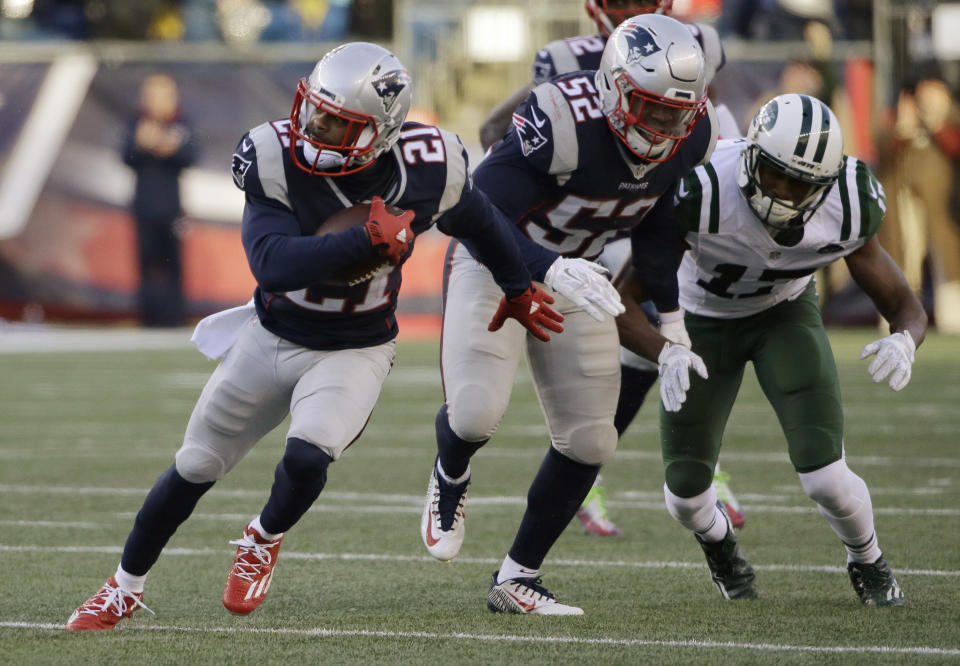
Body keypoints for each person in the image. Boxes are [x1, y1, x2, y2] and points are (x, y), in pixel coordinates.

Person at [64, 42, 618, 631]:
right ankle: (123, 587)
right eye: (315, 111)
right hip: (271, 334)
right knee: (195, 465)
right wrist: (364, 242)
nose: (316, 127)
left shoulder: (427, 166)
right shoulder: (273, 153)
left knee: (308, 454)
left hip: (355, 347)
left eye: (339, 122)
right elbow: (272, 263)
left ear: (381, 132)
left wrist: (518, 283)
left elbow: (479, 219)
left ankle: (262, 536)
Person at [420, 14, 713, 614]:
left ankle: (517, 577)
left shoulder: (693, 131)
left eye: (675, 112)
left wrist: (673, 327)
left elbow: (659, 229)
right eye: (651, 108)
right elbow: (466, 213)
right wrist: (545, 268)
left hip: (576, 275)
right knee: (475, 414)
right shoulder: (560, 120)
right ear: (613, 87)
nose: (663, 125)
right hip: (496, 263)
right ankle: (451, 473)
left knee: (590, 439)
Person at [617, 93, 926, 605]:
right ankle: (720, 545)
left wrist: (904, 340)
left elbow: (903, 303)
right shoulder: (704, 189)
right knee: (685, 498)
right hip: (702, 324)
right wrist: (663, 350)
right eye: (774, 173)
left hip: (784, 315)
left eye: (800, 182)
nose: (782, 191)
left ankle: (868, 559)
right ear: (750, 154)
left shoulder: (849, 202)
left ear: (826, 184)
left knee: (826, 476)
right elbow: (624, 301)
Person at [477, 0, 745, 537]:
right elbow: (493, 135)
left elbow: (699, 123)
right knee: (638, 341)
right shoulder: (565, 59)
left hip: (654, 206)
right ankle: (595, 469)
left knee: (667, 351)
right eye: (621, 2)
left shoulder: (700, 50)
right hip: (591, 227)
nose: (633, 8)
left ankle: (691, 465)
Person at [875, 73, 960, 334]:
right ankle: (898, 319)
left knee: (948, 263)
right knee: (903, 263)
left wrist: (937, 122)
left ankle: (953, 320)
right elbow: (883, 152)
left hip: (943, 210)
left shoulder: (952, 118)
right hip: (904, 207)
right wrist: (904, 126)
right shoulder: (898, 119)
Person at [122, 73, 197, 327]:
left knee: (173, 265)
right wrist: (141, 145)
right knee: (146, 264)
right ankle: (148, 318)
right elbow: (125, 156)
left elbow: (190, 156)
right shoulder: (136, 122)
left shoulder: (180, 123)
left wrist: (170, 148)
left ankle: (174, 318)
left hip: (172, 208)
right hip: (144, 206)